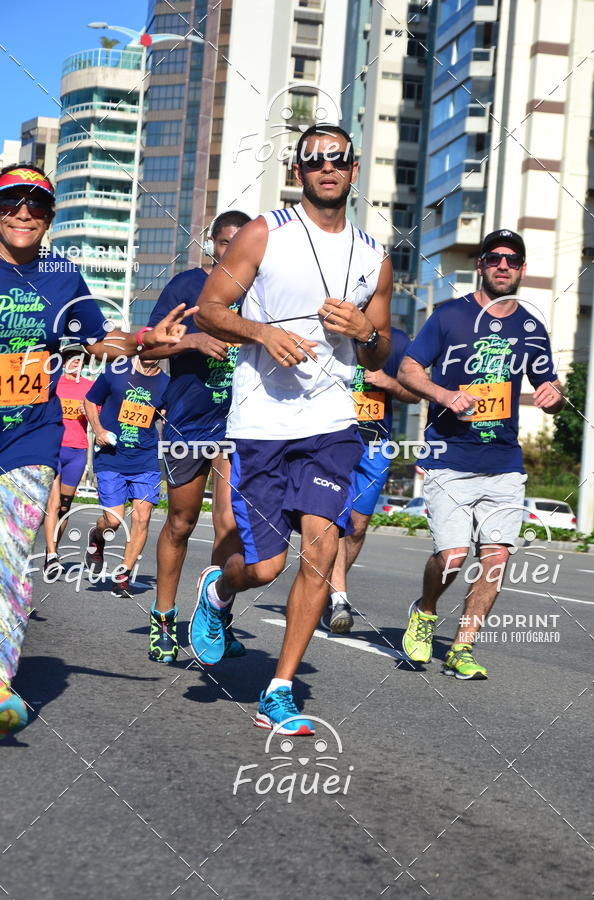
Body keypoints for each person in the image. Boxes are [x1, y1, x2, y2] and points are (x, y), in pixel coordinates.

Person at [190, 124, 392, 735]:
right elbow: (209, 310)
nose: (327, 167)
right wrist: (262, 333)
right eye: (314, 159)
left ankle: (278, 690)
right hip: (262, 423)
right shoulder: (263, 233)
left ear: (354, 170)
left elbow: (380, 350)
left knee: (322, 549)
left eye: (338, 158)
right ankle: (219, 592)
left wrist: (365, 333)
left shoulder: (374, 255)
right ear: (297, 170)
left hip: (331, 423)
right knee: (265, 568)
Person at [0, 163, 194, 740]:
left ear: (50, 217)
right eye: (12, 202)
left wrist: (144, 340)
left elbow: (99, 340)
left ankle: (1, 683)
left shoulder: (62, 276)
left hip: (28, 437)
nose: (24, 213)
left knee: (9, 557)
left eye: (37, 205)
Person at [398, 229, 565, 679]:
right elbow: (409, 369)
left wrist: (555, 394)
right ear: (481, 265)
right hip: (449, 457)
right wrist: (444, 394)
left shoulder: (531, 327)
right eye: (494, 258)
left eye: (512, 259)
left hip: (503, 463)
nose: (503, 266)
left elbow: (548, 384)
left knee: (495, 559)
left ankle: (462, 648)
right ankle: (425, 611)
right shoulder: (449, 316)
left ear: (522, 269)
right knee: (453, 555)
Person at [142, 210, 251, 665]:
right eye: (225, 243)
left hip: (241, 425)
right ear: (211, 244)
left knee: (231, 524)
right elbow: (147, 345)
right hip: (188, 421)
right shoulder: (187, 286)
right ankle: (163, 619)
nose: (232, 252)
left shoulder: (261, 291)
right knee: (181, 522)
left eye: (241, 244)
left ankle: (216, 616)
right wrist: (192, 341)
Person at [325, 326, 418, 632]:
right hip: (332, 439)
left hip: (375, 445)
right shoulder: (332, 333)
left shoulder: (397, 340)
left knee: (357, 527)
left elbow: (414, 394)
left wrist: (386, 381)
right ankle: (338, 598)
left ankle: (327, 588)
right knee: (336, 520)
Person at [83, 357, 170, 598]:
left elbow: (167, 413)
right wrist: (98, 430)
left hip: (145, 459)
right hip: (111, 457)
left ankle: (123, 575)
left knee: (142, 518)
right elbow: (90, 400)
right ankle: (97, 536)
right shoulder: (116, 371)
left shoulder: (166, 383)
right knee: (113, 521)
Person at [43, 346, 95, 578]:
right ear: (63, 363)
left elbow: (98, 417)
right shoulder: (53, 384)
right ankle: (52, 556)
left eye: (80, 360)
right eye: (72, 359)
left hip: (77, 451)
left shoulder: (90, 387)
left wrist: (89, 410)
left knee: (64, 507)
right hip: (54, 448)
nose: (76, 363)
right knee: (54, 504)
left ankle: (51, 550)